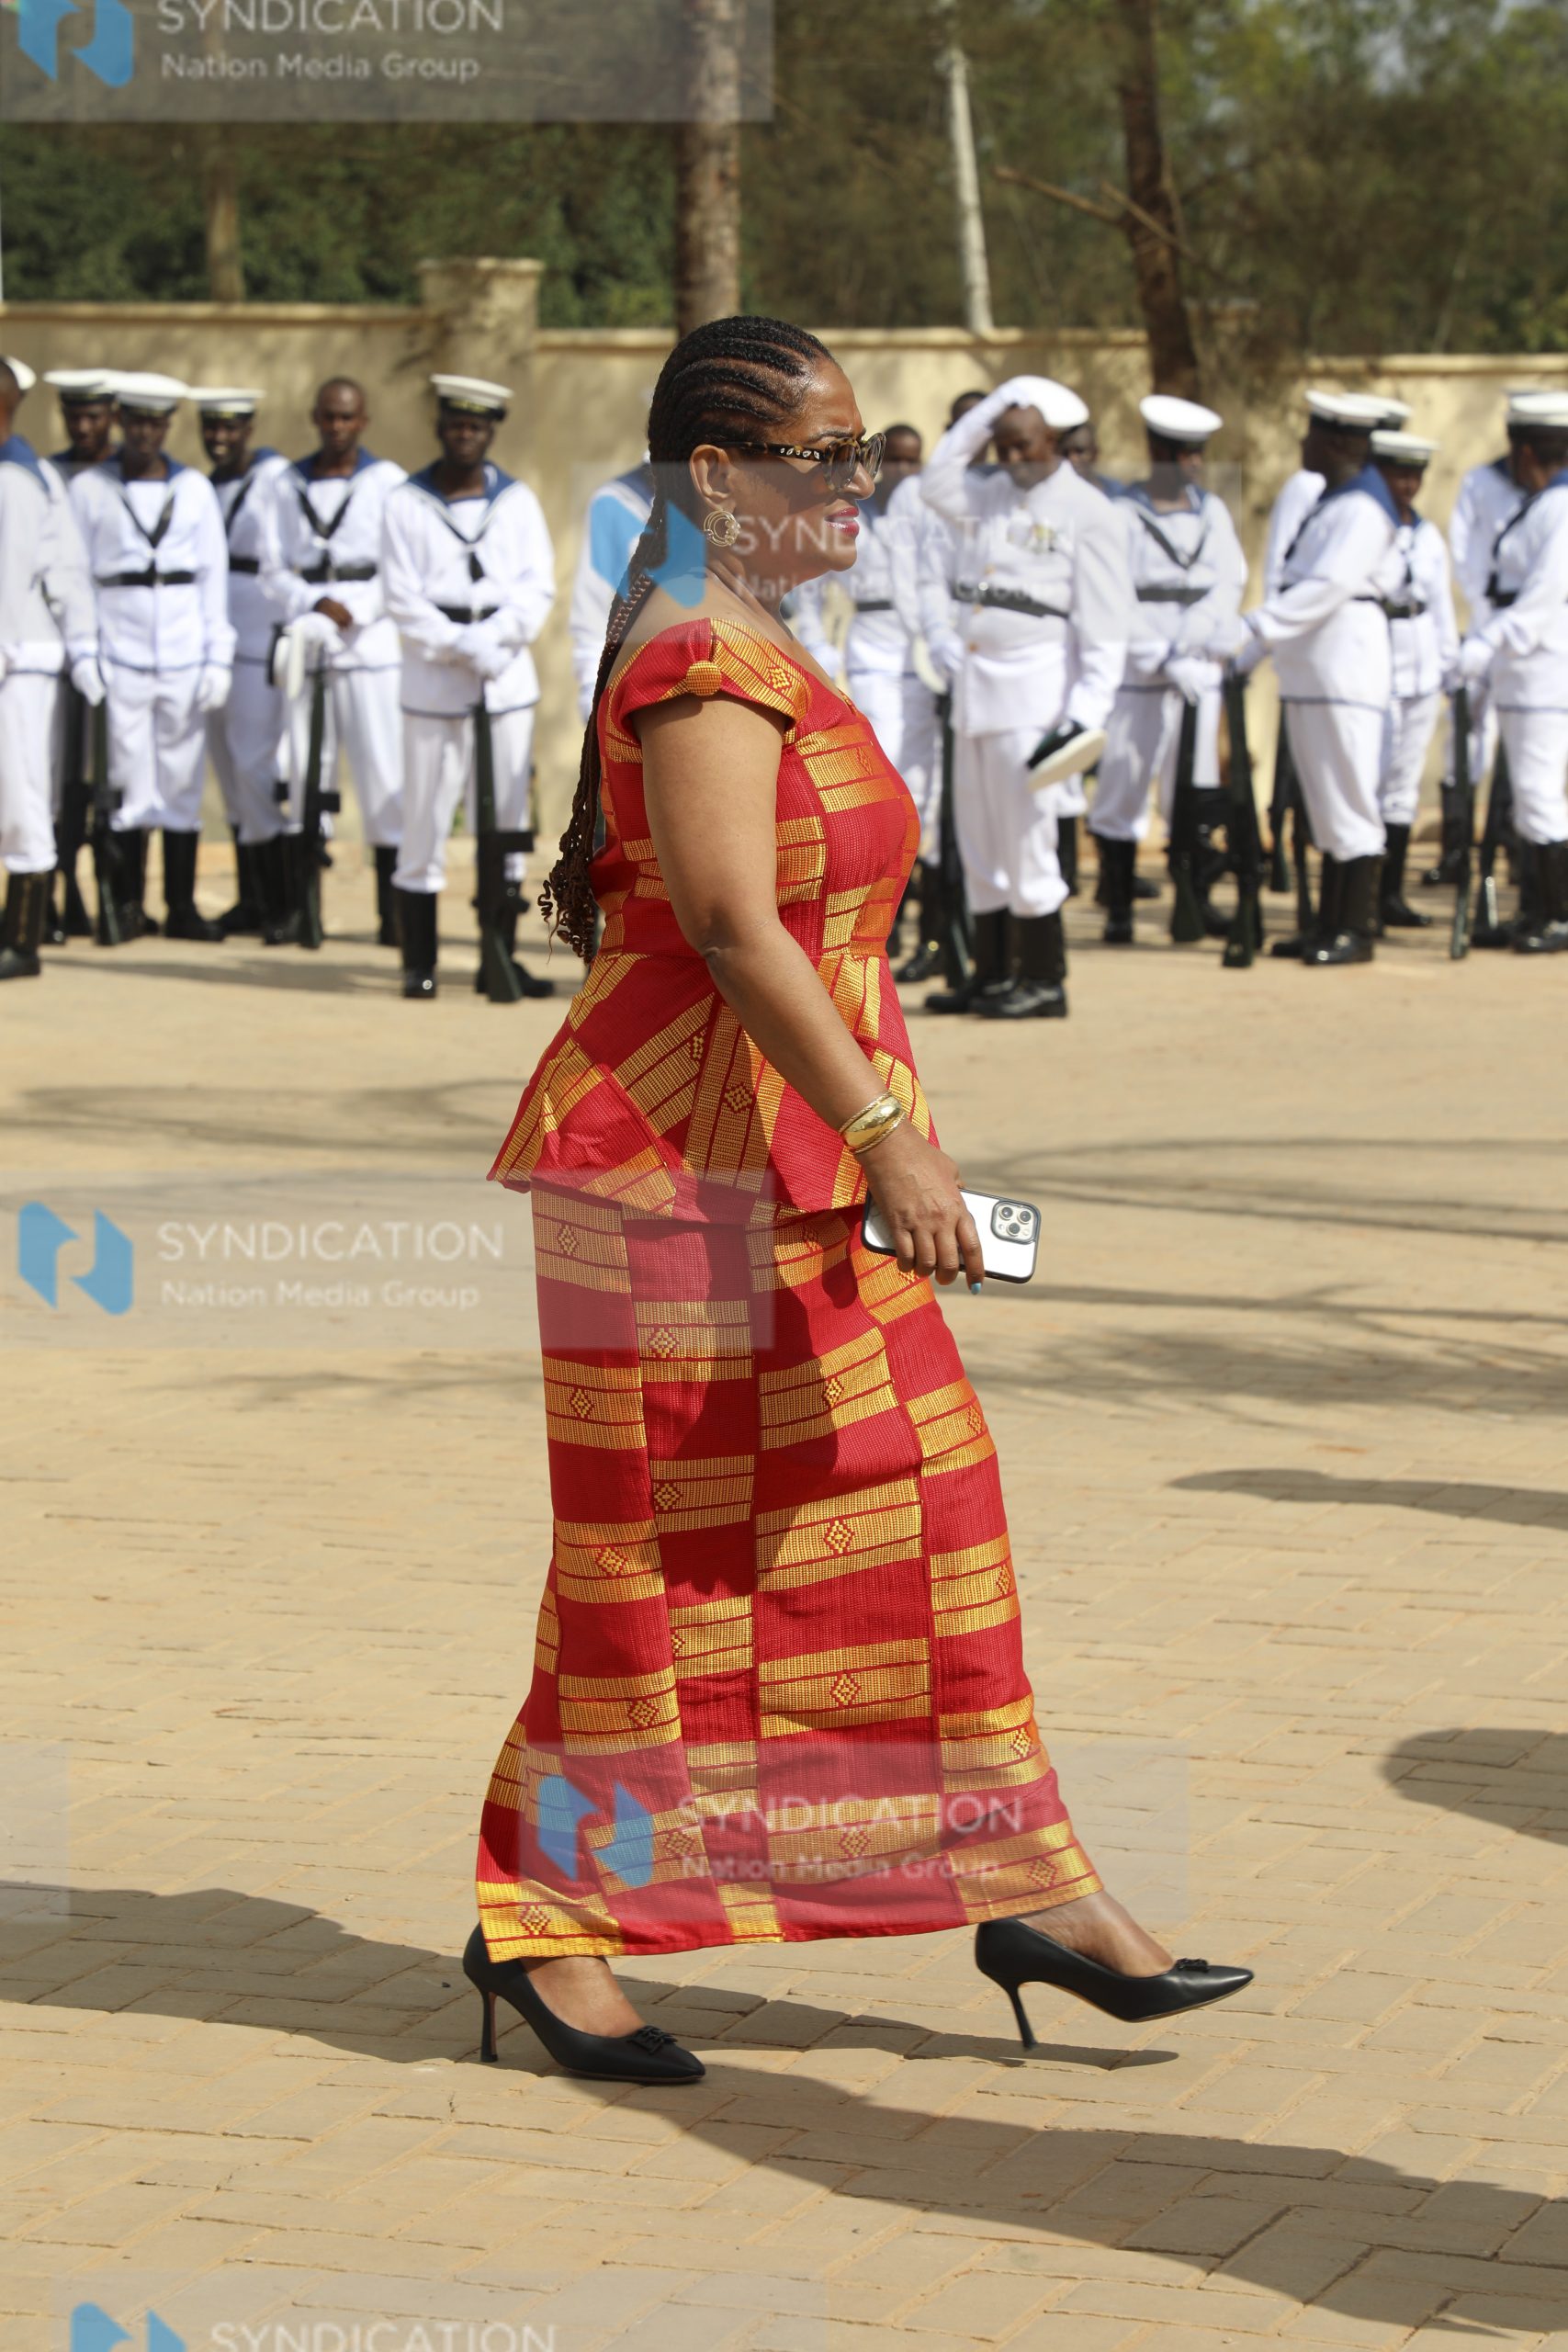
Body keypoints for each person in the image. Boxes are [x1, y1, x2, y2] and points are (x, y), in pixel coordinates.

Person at [463, 314, 1250, 2085]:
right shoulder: (695, 659)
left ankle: (1021, 1877)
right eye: (822, 454)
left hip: (790, 1166)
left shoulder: (757, 637)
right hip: (664, 1180)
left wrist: (876, 1137)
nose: (860, 482)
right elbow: (737, 929)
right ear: (719, 478)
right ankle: (548, 1918)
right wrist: (893, 1130)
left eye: (866, 451)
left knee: (920, 1503)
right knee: (654, 1564)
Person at [917, 375, 1133, 1019]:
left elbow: (1104, 628)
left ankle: (1043, 978)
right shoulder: (986, 493)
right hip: (978, 684)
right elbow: (935, 478)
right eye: (1001, 445)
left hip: (1037, 690)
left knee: (1028, 837)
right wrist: (995, 404)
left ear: (1056, 442)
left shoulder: (1089, 511)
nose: (1010, 458)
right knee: (979, 833)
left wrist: (1083, 717)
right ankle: (992, 972)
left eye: (1023, 444)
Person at [1212, 393, 1404, 967]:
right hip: (1313, 675)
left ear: (1344, 444)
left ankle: (1355, 929)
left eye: (1316, 436)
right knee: (1324, 806)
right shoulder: (1333, 502)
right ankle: (1327, 923)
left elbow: (1323, 589)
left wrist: (1253, 627)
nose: (1304, 445)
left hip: (1343, 672)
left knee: (1349, 802)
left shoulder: (1363, 509)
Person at [381, 373, 557, 1001]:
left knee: (506, 820)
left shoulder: (516, 502)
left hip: (503, 676)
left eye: (475, 426)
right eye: (455, 424)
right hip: (435, 679)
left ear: (489, 432)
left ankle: (497, 956)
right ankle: (419, 962)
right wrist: (458, 644)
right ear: (440, 428)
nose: (464, 435)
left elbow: (537, 586)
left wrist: (498, 640)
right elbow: (400, 598)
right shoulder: (405, 501)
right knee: (425, 816)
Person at [69, 373, 233, 943]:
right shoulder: (90, 488)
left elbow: (213, 578)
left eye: (155, 423)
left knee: (182, 785)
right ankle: (126, 906)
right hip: (121, 655)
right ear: (121, 422)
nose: (145, 432)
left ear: (167, 427)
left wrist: (218, 657)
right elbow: (78, 577)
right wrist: (85, 649)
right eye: (135, 422)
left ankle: (182, 905)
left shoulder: (193, 490)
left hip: (185, 655)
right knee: (126, 783)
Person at [1089, 394, 1247, 944]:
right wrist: (1159, 654)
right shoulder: (1121, 515)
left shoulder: (1214, 512)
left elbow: (1229, 583)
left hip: (1194, 673)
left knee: (1195, 789)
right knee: (1123, 790)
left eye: (1199, 453)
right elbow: (1112, 597)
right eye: (1183, 453)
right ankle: (1120, 902)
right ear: (1157, 452)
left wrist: (1193, 646)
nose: (1195, 463)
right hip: (1140, 676)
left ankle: (1196, 899)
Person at [260, 378, 405, 944]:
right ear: (313, 418)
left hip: (368, 644)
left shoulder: (387, 483)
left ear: (362, 421)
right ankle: (304, 909)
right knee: (303, 771)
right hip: (309, 638)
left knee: (382, 775)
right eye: (327, 417)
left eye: (346, 418)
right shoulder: (284, 483)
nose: (336, 428)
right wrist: (310, 604)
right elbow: (271, 569)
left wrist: (354, 609)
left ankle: (392, 914)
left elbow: (398, 566)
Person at [790, 424, 939, 969]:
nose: (901, 471)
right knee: (887, 779)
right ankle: (884, 926)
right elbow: (809, 594)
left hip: (927, 659)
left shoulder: (931, 517)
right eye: (891, 460)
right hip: (872, 658)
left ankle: (932, 930)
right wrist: (823, 655)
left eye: (911, 461)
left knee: (927, 790)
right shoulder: (846, 512)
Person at [1436, 388, 1565, 888]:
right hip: (1517, 653)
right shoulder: (1540, 501)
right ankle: (1537, 908)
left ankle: (1553, 913)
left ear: (1527, 452)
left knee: (1536, 791)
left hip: (1539, 661)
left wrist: (1488, 641)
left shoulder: (1558, 505)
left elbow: (1542, 595)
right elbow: (1482, 571)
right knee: (1530, 791)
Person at [883, 390, 990, 982]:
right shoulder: (917, 497)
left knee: (970, 801)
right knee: (918, 791)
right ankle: (920, 936)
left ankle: (968, 936)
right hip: (925, 660)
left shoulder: (1008, 497)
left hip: (985, 667)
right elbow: (909, 582)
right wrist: (935, 646)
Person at [0, 362, 98, 980]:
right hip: (21, 656)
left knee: (21, 798)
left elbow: (8, 584)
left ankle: (23, 939)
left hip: (15, 662)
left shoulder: (14, 478)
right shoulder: (29, 470)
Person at [194, 387, 294, 943]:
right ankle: (251, 898)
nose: (220, 437)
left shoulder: (274, 480)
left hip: (260, 642)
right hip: (217, 642)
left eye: (230, 428)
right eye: (211, 428)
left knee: (258, 769)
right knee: (231, 776)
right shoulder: (205, 486)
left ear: (249, 428)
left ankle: (282, 901)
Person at [40, 369, 119, 943]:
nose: (84, 427)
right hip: (53, 639)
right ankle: (51, 891)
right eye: (75, 417)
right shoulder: (49, 474)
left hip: (116, 644)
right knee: (53, 777)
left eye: (94, 416)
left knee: (103, 781)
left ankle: (114, 893)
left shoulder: (127, 476)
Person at [1369, 429, 1459, 931]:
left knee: (1403, 787)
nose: (1408, 484)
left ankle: (1389, 895)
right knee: (1371, 782)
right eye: (1398, 473)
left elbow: (1441, 606)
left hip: (1420, 666)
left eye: (1415, 474)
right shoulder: (1366, 526)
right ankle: (1358, 894)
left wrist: (1451, 667)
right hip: (1376, 666)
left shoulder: (1427, 536)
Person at [568, 458, 654, 719]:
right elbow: (593, 608)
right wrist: (592, 692)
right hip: (636, 686)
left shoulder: (728, 494)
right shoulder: (616, 501)